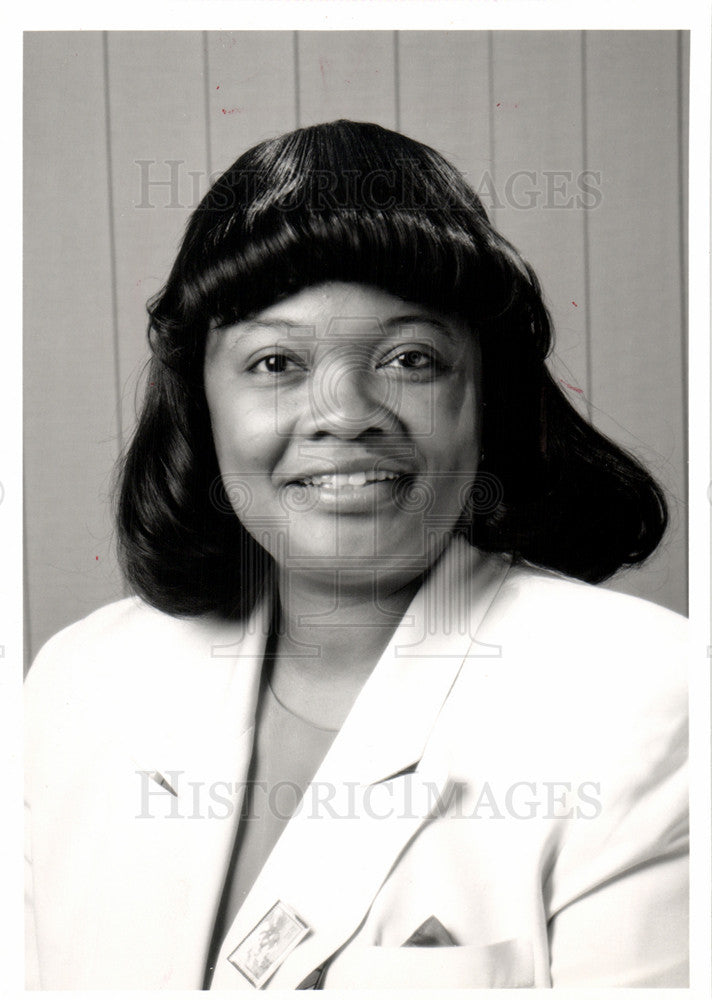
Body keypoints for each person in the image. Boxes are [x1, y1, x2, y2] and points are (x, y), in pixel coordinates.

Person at [24, 120, 687, 989]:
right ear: (201, 406)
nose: (345, 413)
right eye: (274, 362)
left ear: (484, 396)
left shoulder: (652, 696)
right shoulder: (78, 682)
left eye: (410, 357)